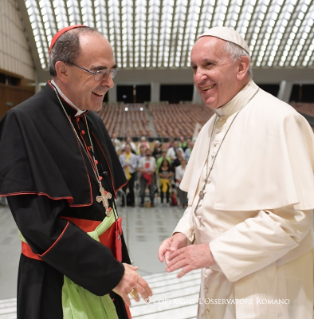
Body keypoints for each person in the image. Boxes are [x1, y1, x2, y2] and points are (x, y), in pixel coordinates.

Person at [158, 26, 314, 319]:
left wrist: (213, 252)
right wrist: (183, 234)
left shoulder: (280, 120)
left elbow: (293, 219)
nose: (198, 77)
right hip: (217, 281)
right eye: (194, 67)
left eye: (208, 64)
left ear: (241, 67)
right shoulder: (210, 127)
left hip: (264, 287)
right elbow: (200, 201)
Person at [0, 25, 152, 319]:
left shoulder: (90, 117)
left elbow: (106, 208)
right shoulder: (22, 121)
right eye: (98, 71)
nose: (108, 82)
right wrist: (111, 273)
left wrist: (120, 268)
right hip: (56, 278)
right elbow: (40, 227)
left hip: (104, 267)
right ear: (63, 70)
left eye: (112, 71)